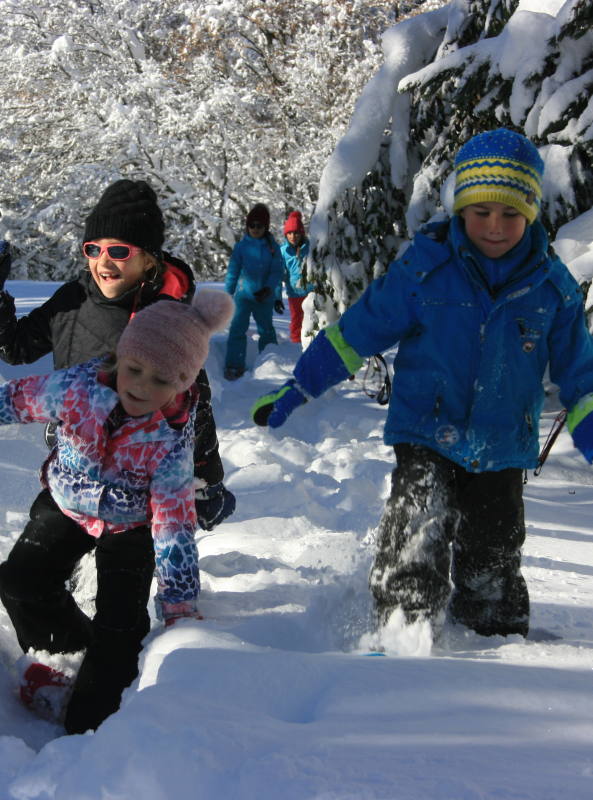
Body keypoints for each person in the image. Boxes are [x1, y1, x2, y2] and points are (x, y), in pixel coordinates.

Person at [251, 128, 593, 643]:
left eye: (510, 214)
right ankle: (400, 627)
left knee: (493, 551)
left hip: (502, 443)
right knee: (417, 523)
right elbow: (356, 333)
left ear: (532, 212)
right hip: (427, 430)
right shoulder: (424, 272)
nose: (495, 227)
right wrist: (300, 386)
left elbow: (582, 377)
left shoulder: (552, 291)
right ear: (459, 210)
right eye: (481, 212)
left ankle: (493, 638)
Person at [0, 288, 235, 733]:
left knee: (122, 627)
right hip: (69, 500)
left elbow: (174, 525)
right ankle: (69, 653)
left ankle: (94, 719)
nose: (142, 386)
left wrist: (179, 604)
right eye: (135, 369)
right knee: (20, 581)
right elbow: (10, 400)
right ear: (121, 356)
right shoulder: (77, 388)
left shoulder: (172, 439)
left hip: (129, 524)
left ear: (183, 384)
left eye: (162, 381)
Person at [0, 179, 235, 532]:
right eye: (93, 250)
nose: (103, 261)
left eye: (119, 251)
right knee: (42, 565)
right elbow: (15, 347)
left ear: (148, 259)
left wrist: (207, 477)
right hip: (73, 465)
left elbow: (194, 405)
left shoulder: (168, 320)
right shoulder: (71, 301)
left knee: (120, 569)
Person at [223, 203, 284, 380]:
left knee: (266, 331)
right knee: (237, 329)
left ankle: (269, 364)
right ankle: (234, 365)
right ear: (247, 226)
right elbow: (233, 273)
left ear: (266, 227)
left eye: (260, 225)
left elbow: (277, 271)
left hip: (264, 297)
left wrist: (269, 289)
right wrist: (227, 296)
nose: (255, 229)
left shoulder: (273, 248)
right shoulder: (241, 247)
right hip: (244, 296)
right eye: (252, 225)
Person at [275, 211, 312, 344]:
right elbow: (278, 274)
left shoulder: (311, 247)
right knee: (297, 320)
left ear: (301, 233)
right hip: (294, 293)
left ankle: (313, 344)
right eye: (289, 233)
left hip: (312, 291)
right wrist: (277, 297)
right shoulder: (283, 250)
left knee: (312, 319)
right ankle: (296, 345)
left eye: (296, 233)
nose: (293, 236)